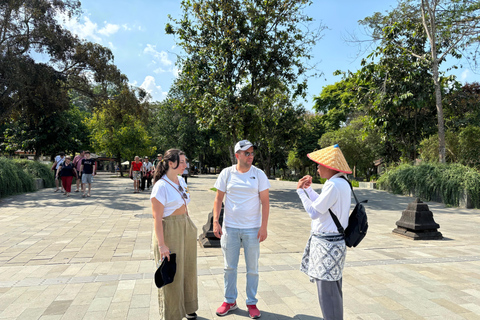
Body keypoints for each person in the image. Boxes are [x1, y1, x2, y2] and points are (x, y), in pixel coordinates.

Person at [213, 139, 270, 319]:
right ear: (237, 155)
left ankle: (251, 302)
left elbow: (265, 202)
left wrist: (264, 227)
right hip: (230, 228)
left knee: (252, 268)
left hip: (252, 229)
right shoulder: (226, 173)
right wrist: (216, 221)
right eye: (247, 153)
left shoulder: (259, 174)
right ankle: (230, 300)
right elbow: (218, 199)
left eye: (252, 153)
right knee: (229, 267)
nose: (250, 156)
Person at [296, 144, 352, 320]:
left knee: (327, 293)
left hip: (328, 245)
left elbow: (314, 212)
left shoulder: (333, 185)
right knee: (333, 291)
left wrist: (300, 192)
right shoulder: (339, 183)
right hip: (333, 244)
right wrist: (308, 190)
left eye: (319, 165)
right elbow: (322, 205)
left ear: (329, 167)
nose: (318, 169)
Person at [150, 149, 198, 320]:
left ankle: (188, 306)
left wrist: (189, 226)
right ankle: (172, 314)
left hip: (185, 226)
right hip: (169, 229)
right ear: (171, 163)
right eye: (182, 161)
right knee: (173, 273)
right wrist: (162, 245)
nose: (185, 164)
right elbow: (157, 219)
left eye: (185, 161)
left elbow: (185, 203)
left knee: (188, 269)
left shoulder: (181, 181)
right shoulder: (160, 186)